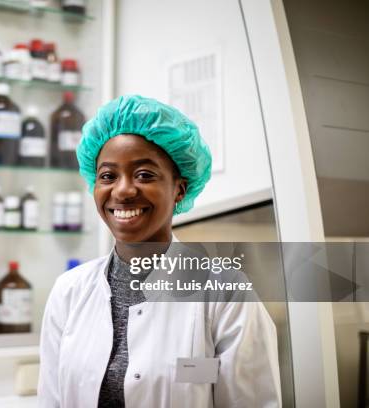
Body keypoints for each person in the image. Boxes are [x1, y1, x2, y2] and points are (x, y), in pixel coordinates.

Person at [37, 95, 282, 407]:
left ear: (179, 189)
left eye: (144, 175)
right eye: (108, 176)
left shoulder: (224, 296)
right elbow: (52, 400)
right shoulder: (69, 291)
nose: (123, 190)